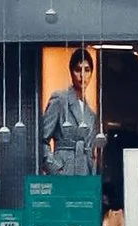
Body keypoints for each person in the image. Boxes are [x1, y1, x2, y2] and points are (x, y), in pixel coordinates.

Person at [41, 46, 102, 174]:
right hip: (64, 170)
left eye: (87, 70)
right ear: (71, 72)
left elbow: (92, 149)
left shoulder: (90, 113)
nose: (82, 75)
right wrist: (55, 169)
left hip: (86, 172)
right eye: (78, 70)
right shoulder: (60, 100)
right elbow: (42, 139)